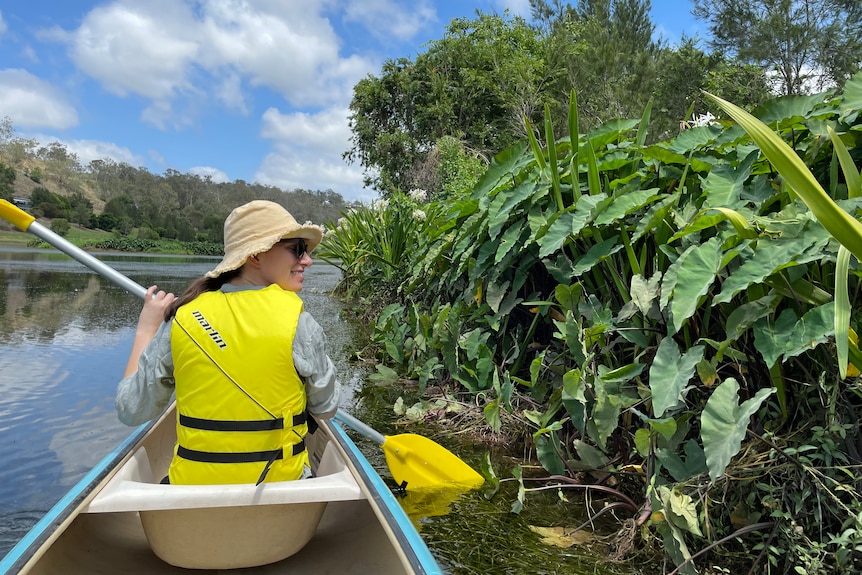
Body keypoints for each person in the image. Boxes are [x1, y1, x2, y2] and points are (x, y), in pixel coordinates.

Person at [116, 200, 340, 486]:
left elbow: (131, 409)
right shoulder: (300, 322)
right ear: (256, 256)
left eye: (306, 251)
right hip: (283, 492)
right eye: (297, 249)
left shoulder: (182, 318)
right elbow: (326, 408)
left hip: (192, 495)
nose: (307, 260)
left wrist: (146, 329)